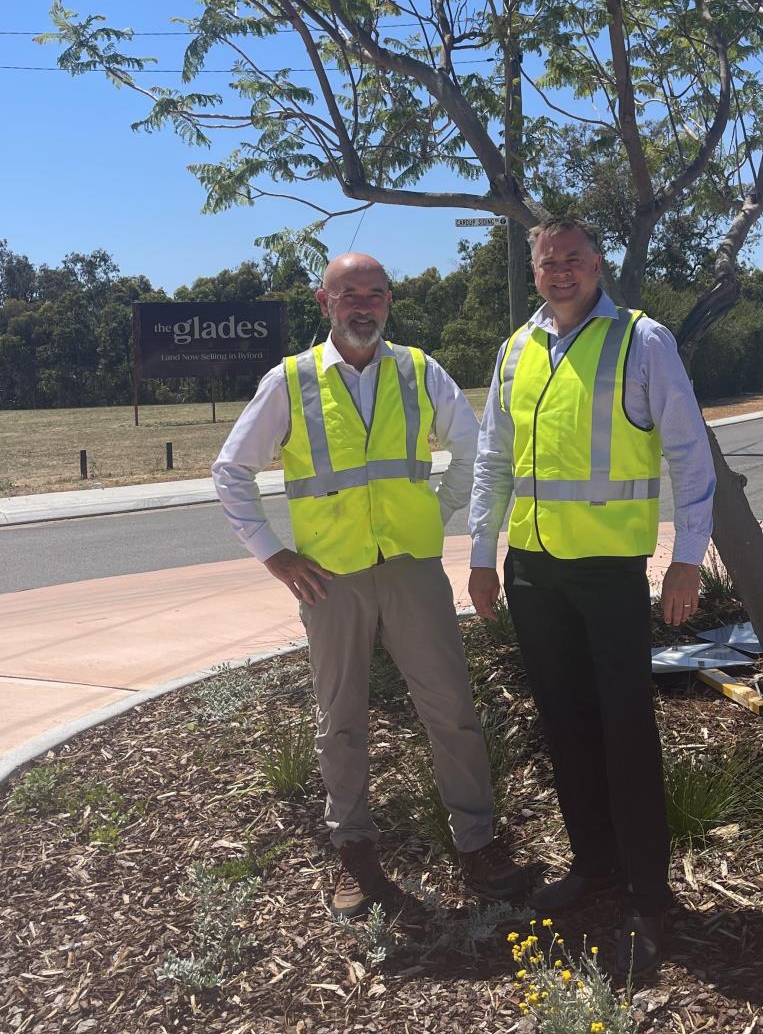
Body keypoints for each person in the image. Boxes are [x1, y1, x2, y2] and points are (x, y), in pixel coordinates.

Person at [213, 252, 530, 920]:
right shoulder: (290, 381)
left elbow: (473, 452)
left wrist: (435, 511)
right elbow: (230, 471)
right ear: (323, 302)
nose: (363, 305)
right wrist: (273, 556)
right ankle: (355, 854)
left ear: (389, 302)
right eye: (348, 293)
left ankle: (476, 845)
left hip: (410, 569)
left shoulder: (418, 371)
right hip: (329, 579)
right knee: (340, 720)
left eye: (375, 294)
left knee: (450, 708)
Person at [467, 216, 715, 976]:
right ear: (534, 268)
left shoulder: (642, 340)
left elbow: (687, 451)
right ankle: (591, 866)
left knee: (625, 731)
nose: (560, 272)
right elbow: (492, 459)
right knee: (563, 724)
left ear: (598, 265)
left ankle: (648, 893)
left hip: (609, 569)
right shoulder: (517, 348)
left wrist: (687, 560)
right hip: (534, 570)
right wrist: (482, 556)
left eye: (572, 259)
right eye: (548, 261)